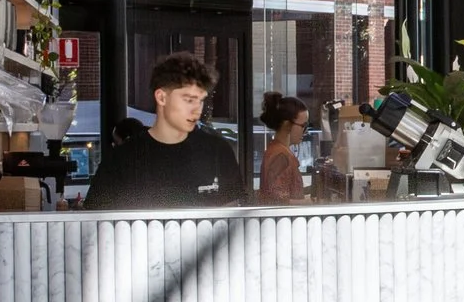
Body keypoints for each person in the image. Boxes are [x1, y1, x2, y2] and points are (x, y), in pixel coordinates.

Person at [82, 52, 246, 211]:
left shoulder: (218, 152)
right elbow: (99, 226)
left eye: (200, 100)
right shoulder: (122, 160)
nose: (197, 109)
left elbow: (230, 223)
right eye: (188, 100)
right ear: (161, 97)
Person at [257, 92, 309, 204]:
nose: (305, 131)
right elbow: (277, 201)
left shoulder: (277, 150)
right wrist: (308, 202)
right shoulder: (281, 155)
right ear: (287, 124)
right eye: (303, 126)